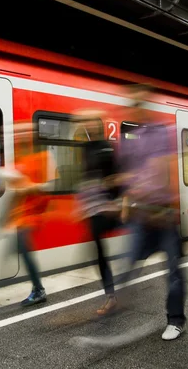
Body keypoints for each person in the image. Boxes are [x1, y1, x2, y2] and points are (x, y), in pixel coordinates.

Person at [116, 85, 186, 341]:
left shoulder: (163, 133)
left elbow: (163, 170)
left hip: (163, 212)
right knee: (129, 263)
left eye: (139, 103)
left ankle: (176, 320)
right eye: (133, 105)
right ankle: (113, 315)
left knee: (173, 271)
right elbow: (129, 174)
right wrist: (126, 201)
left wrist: (139, 189)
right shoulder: (132, 140)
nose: (136, 109)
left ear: (147, 104)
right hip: (142, 215)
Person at [2, 121, 57, 306]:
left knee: (25, 251)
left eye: (23, 135)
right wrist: (7, 216)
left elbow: (51, 185)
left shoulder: (44, 157)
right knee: (21, 251)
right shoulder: (16, 162)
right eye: (16, 135)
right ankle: (37, 288)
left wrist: (29, 187)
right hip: (20, 216)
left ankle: (39, 290)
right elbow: (15, 192)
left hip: (33, 215)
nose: (19, 138)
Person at [75, 110, 122, 316]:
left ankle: (118, 291)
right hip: (93, 207)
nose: (88, 126)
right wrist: (81, 203)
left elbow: (115, 175)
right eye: (86, 123)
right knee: (99, 252)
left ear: (97, 125)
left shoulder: (106, 147)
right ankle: (111, 296)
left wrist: (117, 201)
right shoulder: (86, 147)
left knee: (136, 242)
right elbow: (86, 176)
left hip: (109, 205)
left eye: (91, 122)